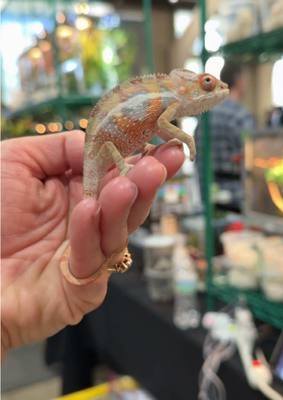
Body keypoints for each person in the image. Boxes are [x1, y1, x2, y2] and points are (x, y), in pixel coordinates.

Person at [1, 131, 184, 359]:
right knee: (105, 205)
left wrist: (6, 329)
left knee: (107, 206)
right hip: (103, 157)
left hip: (104, 164)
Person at [196, 60, 255, 210]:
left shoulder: (205, 116)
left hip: (208, 197)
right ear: (239, 80)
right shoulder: (240, 116)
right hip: (237, 198)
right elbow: (253, 160)